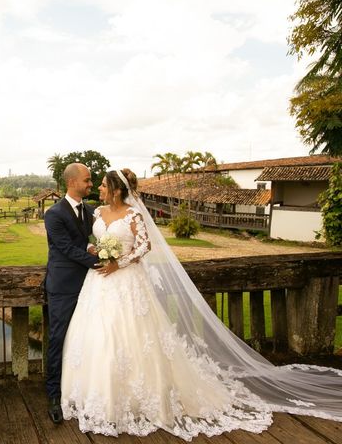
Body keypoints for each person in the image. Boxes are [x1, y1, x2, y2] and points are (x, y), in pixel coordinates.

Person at [60, 168, 342, 441]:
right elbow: (89, 240)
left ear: (117, 189)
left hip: (128, 282)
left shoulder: (133, 214)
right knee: (99, 335)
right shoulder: (97, 212)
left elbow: (144, 247)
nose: (98, 188)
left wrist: (118, 262)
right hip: (99, 283)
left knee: (133, 335)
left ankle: (139, 398)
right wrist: (96, 250)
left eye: (103, 185)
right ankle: (97, 396)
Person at [43, 162, 99, 424]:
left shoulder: (89, 211)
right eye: (87, 180)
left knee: (86, 337)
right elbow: (65, 247)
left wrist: (99, 250)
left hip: (90, 285)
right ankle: (54, 394)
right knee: (58, 337)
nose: (91, 184)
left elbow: (88, 242)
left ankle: (83, 388)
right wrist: (99, 262)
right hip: (63, 285)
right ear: (72, 182)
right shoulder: (53, 214)